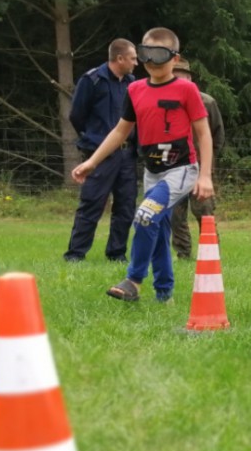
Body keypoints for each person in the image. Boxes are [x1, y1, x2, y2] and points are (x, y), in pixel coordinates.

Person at [72, 27, 214, 303]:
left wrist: (205, 175)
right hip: (152, 172)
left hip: (181, 170)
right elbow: (120, 131)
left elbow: (204, 132)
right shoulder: (135, 89)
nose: (150, 60)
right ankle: (164, 294)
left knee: (145, 216)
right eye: (145, 53)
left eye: (158, 54)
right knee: (157, 228)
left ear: (174, 58)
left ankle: (134, 280)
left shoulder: (187, 89)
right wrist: (92, 161)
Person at [63, 38, 139, 263]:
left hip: (127, 155)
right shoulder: (92, 80)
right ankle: (76, 254)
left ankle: (116, 253)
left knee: (126, 206)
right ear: (120, 58)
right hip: (100, 154)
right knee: (92, 203)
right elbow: (77, 115)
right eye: (133, 58)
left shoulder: (131, 83)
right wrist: (93, 140)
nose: (136, 63)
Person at [170, 58, 225, 259]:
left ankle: (210, 254)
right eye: (172, 75)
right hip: (174, 166)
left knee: (205, 212)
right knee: (175, 215)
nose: (176, 79)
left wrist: (207, 166)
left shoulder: (207, 102)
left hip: (200, 167)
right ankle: (183, 254)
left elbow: (218, 137)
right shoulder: (167, 102)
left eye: (180, 75)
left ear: (189, 78)